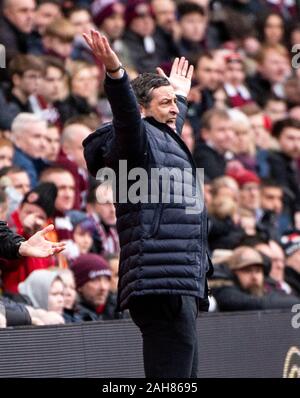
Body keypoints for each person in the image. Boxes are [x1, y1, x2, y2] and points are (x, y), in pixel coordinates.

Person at [83, 30, 212, 378]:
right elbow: (126, 115)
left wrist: (180, 96)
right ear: (143, 109)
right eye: (165, 102)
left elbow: (170, 129)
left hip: (178, 279)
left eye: (174, 103)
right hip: (158, 282)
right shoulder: (134, 142)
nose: (174, 109)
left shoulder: (162, 140)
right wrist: (115, 73)